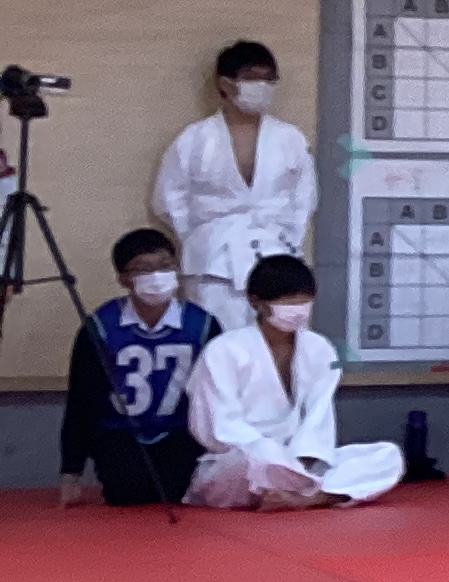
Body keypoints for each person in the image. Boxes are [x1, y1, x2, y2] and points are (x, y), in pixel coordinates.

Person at [181, 255, 403, 506]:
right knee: (255, 463)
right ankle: (309, 491)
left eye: (304, 301)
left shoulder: (319, 349)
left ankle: (305, 498)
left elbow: (319, 413)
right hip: (244, 462)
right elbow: (217, 425)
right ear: (256, 301)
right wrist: (272, 454)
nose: (297, 309)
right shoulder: (223, 351)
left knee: (387, 456)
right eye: (287, 301)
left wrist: (305, 456)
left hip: (300, 458)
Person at [151, 40, 316, 331]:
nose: (262, 86)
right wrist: (200, 236)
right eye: (252, 78)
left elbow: (304, 197)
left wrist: (288, 236)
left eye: (269, 79)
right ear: (225, 84)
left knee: (279, 341)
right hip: (213, 261)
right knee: (216, 340)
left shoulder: (290, 138)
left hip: (276, 252)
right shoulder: (195, 139)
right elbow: (169, 198)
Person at [59, 227, 215, 507]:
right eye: (142, 269)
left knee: (180, 492)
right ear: (123, 279)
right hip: (121, 432)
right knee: (128, 493)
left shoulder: (202, 324)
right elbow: (83, 400)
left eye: (165, 266)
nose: (156, 276)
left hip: (181, 431)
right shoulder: (101, 327)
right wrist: (71, 471)